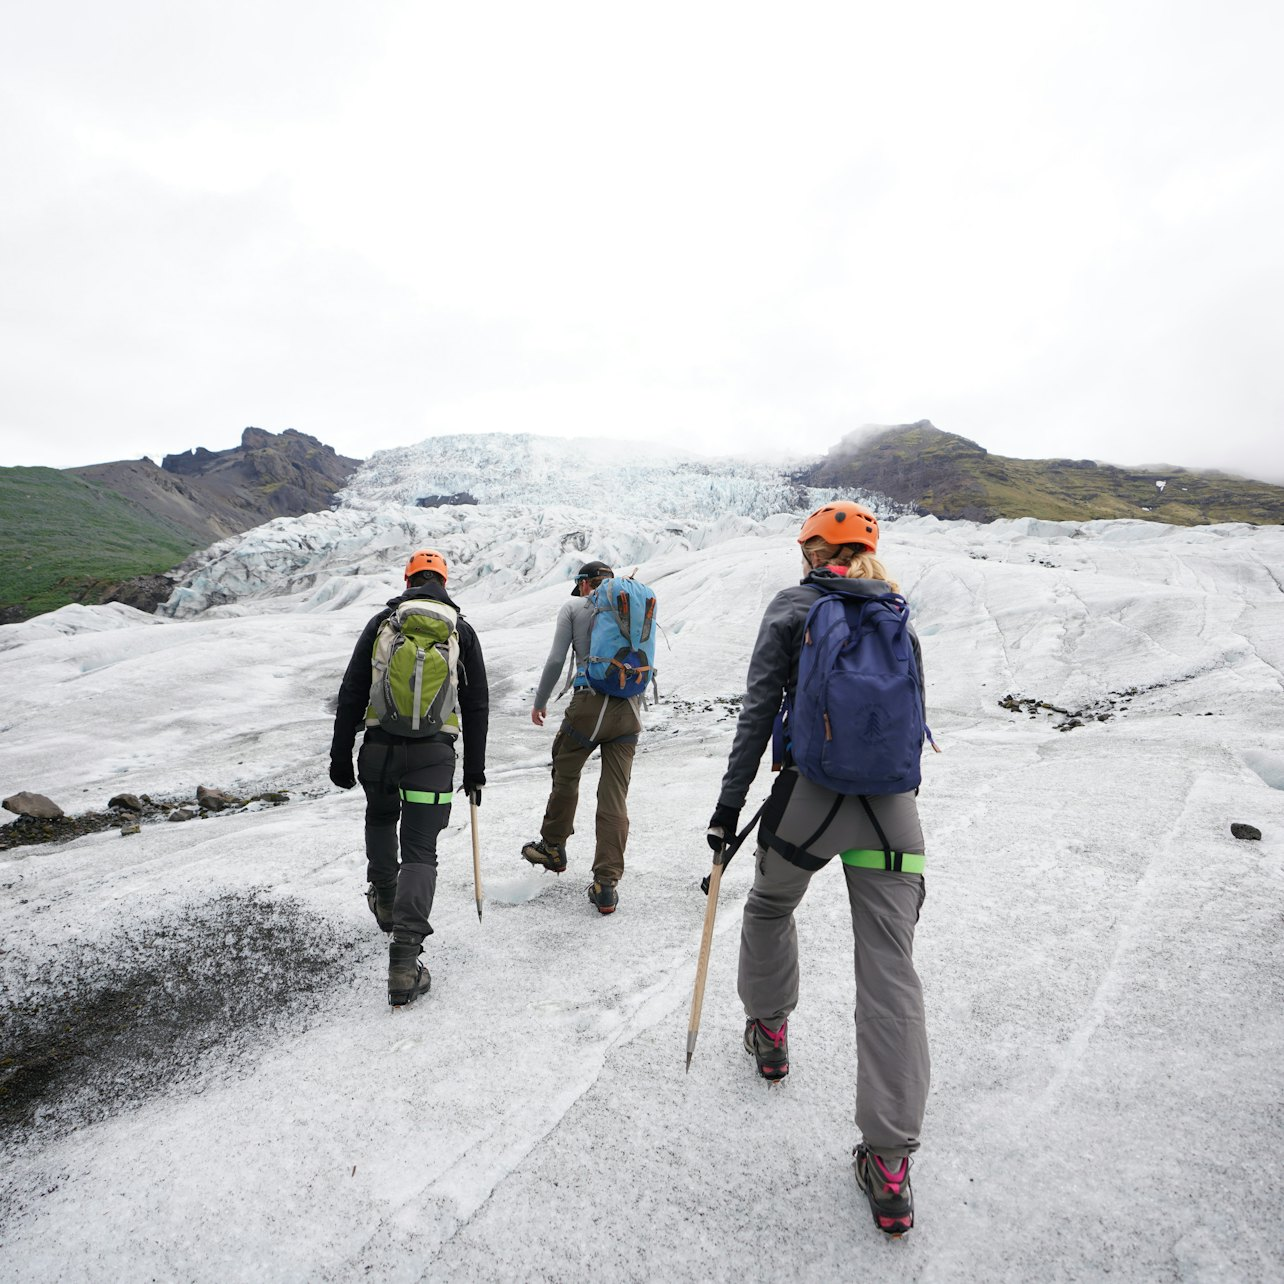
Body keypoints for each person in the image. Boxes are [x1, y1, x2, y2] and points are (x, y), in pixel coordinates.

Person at [707, 501, 929, 1238]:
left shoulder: (794, 606)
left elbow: (754, 713)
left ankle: (769, 1033)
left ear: (810, 551)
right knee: (889, 969)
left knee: (771, 907)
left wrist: (726, 810)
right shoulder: (895, 610)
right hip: (891, 814)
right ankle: (890, 1163)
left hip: (812, 802)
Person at [330, 549, 489, 1006]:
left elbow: (352, 691)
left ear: (408, 580)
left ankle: (384, 899)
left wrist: (341, 756)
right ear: (444, 581)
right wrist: (474, 770)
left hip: (378, 750)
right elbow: (476, 706)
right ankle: (404, 961)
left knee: (380, 818)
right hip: (433, 758)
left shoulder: (384, 623)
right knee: (421, 850)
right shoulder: (462, 631)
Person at [522, 559, 642, 915]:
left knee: (566, 768)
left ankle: (553, 847)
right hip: (630, 711)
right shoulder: (629, 609)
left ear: (585, 584)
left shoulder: (574, 607)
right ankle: (606, 884)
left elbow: (557, 659)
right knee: (614, 794)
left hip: (589, 706)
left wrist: (540, 701)